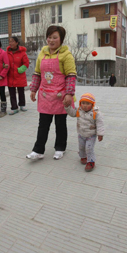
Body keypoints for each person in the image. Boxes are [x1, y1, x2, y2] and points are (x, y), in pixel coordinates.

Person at [26, 25, 77, 160]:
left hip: (61, 95)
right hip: (44, 94)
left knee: (60, 124)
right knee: (43, 124)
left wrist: (69, 94)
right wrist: (33, 89)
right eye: (49, 37)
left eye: (55, 37)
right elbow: (37, 73)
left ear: (61, 39)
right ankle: (38, 150)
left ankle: (60, 148)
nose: (51, 40)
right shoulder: (42, 53)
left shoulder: (66, 55)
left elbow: (71, 75)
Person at [65, 93, 105, 172]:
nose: (85, 106)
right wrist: (67, 107)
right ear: (80, 103)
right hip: (81, 134)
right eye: (83, 103)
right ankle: (83, 156)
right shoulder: (79, 110)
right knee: (81, 147)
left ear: (92, 104)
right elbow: (72, 113)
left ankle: (91, 161)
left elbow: (100, 124)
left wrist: (100, 134)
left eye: (88, 104)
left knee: (89, 148)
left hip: (91, 135)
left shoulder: (96, 113)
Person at [7, 36, 30, 115]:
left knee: (21, 91)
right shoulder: (7, 53)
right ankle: (14, 107)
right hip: (10, 76)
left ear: (17, 43)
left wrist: (20, 70)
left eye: (12, 41)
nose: (11, 43)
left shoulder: (22, 53)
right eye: (10, 41)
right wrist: (4, 65)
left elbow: (26, 63)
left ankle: (22, 105)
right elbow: (5, 61)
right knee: (12, 92)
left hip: (19, 75)